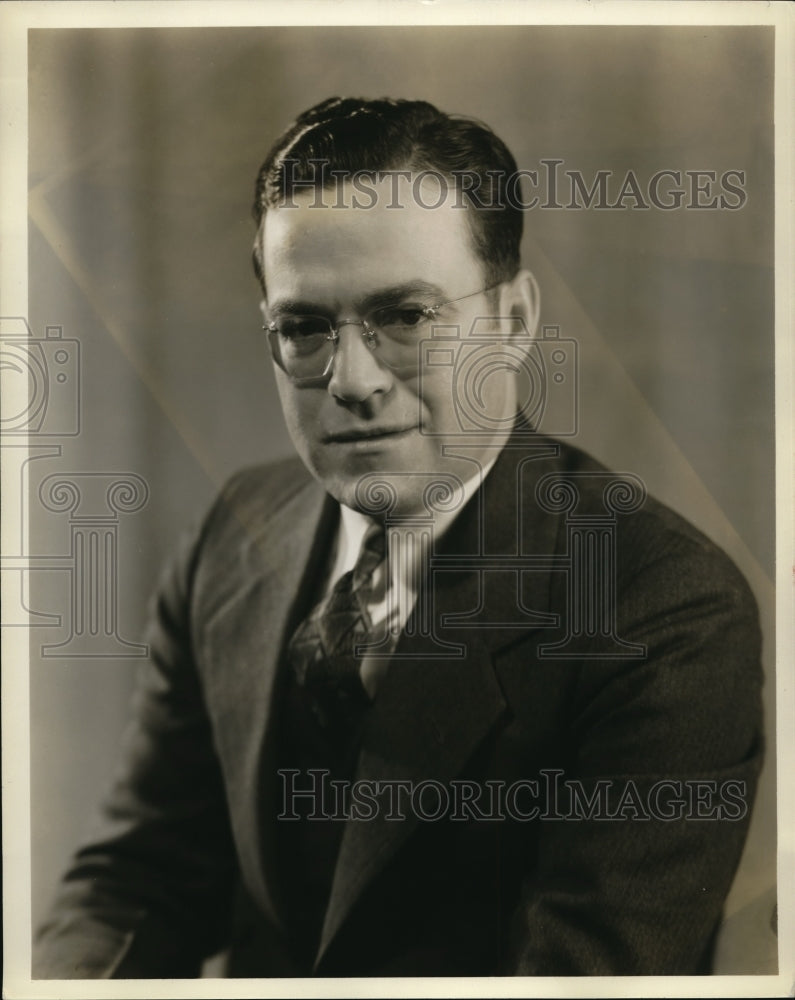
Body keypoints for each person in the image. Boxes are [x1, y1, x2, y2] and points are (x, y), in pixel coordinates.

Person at [34, 97, 764, 978]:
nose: (352, 379)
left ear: (513, 322)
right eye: (304, 328)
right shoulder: (235, 533)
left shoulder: (662, 608)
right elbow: (137, 880)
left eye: (407, 317)